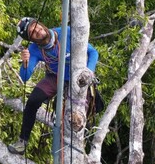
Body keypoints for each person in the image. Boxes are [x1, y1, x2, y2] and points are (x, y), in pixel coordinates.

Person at [7, 17, 99, 154]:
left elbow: (92, 52)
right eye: (33, 32)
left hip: (78, 76)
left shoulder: (65, 32)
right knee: (32, 101)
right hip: (55, 76)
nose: (38, 30)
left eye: (36, 26)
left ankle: (84, 149)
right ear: (31, 39)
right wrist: (25, 62)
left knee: (78, 116)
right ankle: (22, 142)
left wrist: (88, 72)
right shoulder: (34, 49)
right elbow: (25, 77)